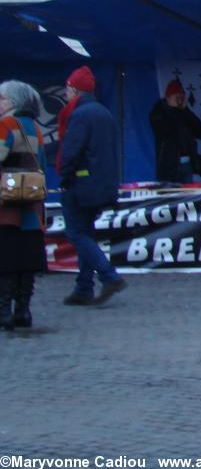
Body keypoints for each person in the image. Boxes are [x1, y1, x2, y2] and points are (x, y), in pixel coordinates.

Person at [57, 66, 127, 307]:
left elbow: (71, 150)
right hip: (101, 185)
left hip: (81, 184)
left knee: (76, 234)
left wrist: (65, 178)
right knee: (86, 234)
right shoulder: (104, 113)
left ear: (74, 89)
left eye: (67, 88)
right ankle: (83, 287)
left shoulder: (79, 115)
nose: (66, 93)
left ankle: (109, 276)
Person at [0, 81, 48, 329]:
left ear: (13, 102)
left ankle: (3, 311)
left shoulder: (6, 125)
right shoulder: (35, 128)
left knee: (6, 259)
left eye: (1, 98)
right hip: (30, 204)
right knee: (26, 261)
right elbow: (41, 163)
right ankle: (23, 311)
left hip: (6, 206)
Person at [148, 79, 201, 183]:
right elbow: (165, 131)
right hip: (168, 165)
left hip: (186, 163)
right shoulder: (158, 112)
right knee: (171, 192)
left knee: (187, 192)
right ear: (168, 97)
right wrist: (174, 109)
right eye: (177, 97)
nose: (179, 100)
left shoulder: (183, 112)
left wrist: (186, 110)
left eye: (181, 97)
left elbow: (198, 127)